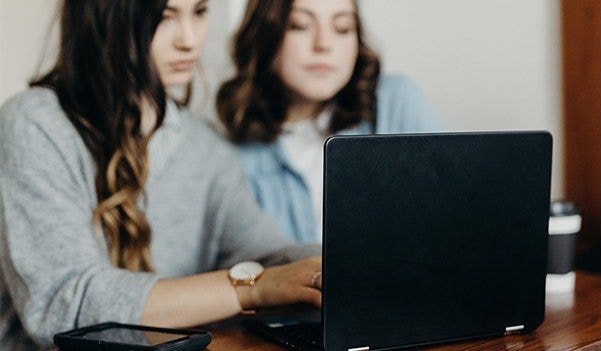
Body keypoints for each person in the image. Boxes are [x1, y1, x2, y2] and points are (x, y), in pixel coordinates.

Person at [0, 1, 323, 350]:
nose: (189, 40)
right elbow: (65, 305)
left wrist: (339, 262)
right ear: (106, 18)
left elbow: (267, 255)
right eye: (165, 17)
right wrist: (254, 289)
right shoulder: (34, 124)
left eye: (199, 12)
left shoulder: (204, 145)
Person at [216, 0, 442, 243]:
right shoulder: (228, 154)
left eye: (343, 28)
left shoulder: (396, 103)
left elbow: (449, 218)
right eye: (300, 26)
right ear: (264, 34)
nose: (324, 44)